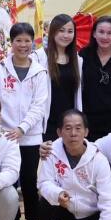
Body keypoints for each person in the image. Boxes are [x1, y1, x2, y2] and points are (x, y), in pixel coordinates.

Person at [0, 23, 48, 220]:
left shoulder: (39, 72)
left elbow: (39, 106)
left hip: (30, 137)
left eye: (27, 40)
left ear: (33, 43)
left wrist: (22, 128)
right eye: (18, 40)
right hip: (4, 138)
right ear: (11, 42)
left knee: (29, 183)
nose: (23, 45)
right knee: (8, 182)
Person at [35, 110, 111, 220]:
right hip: (64, 210)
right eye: (68, 128)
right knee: (45, 200)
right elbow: (43, 182)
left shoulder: (99, 159)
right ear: (59, 132)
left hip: (91, 214)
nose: (73, 133)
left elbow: (107, 201)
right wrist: (57, 194)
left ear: (86, 132)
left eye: (78, 128)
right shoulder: (50, 152)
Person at [34, 13, 83, 142]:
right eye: (61, 30)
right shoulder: (39, 58)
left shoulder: (77, 60)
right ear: (52, 32)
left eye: (70, 31)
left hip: (69, 125)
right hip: (46, 123)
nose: (66, 35)